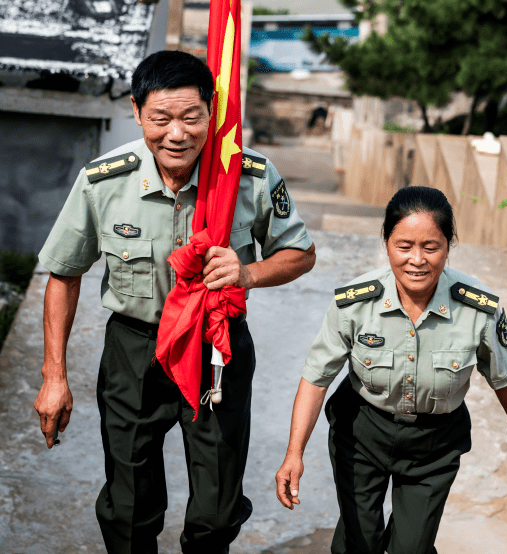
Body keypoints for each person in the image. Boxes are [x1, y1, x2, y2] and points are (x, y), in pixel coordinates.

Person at [34, 50, 315, 554]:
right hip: (134, 350)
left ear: (213, 112)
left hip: (217, 349)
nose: (177, 134)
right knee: (128, 506)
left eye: (192, 117)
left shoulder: (246, 176)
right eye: (160, 118)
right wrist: (54, 376)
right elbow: (64, 274)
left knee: (216, 508)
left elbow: (300, 254)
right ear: (137, 112)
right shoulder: (104, 180)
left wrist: (247, 272)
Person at [275, 186, 507, 554]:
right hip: (362, 431)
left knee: (411, 548)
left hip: (435, 445)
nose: (417, 260)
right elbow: (316, 377)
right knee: (358, 542)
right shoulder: (355, 303)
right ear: (386, 242)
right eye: (404, 246)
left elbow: (503, 374)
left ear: (449, 245)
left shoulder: (479, 308)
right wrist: (294, 453)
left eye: (431, 247)